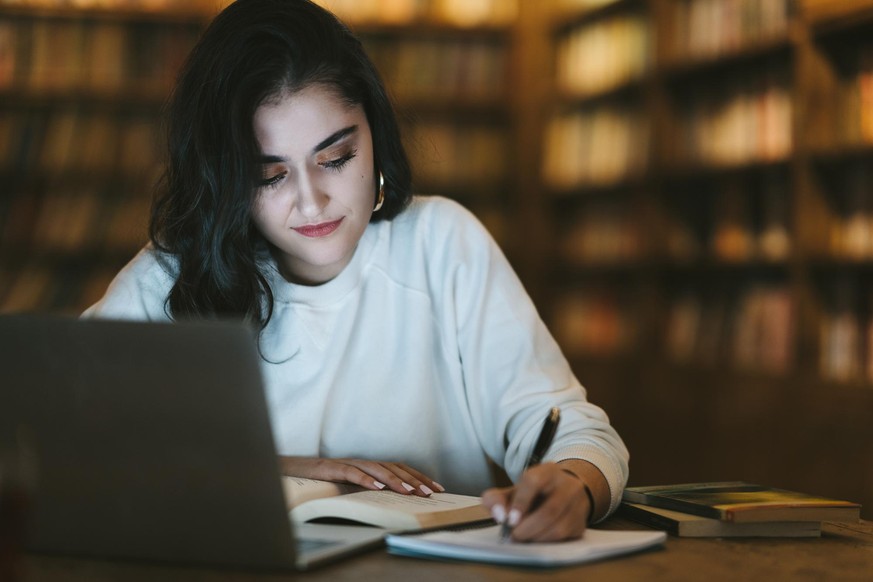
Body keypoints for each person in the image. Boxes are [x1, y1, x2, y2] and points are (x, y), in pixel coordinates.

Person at [83, 0, 628, 542]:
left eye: (336, 158)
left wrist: (572, 485)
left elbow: (571, 430)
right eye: (270, 176)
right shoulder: (171, 279)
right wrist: (284, 468)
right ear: (226, 179)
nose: (312, 201)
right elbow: (63, 442)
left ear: (374, 133)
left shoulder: (440, 243)